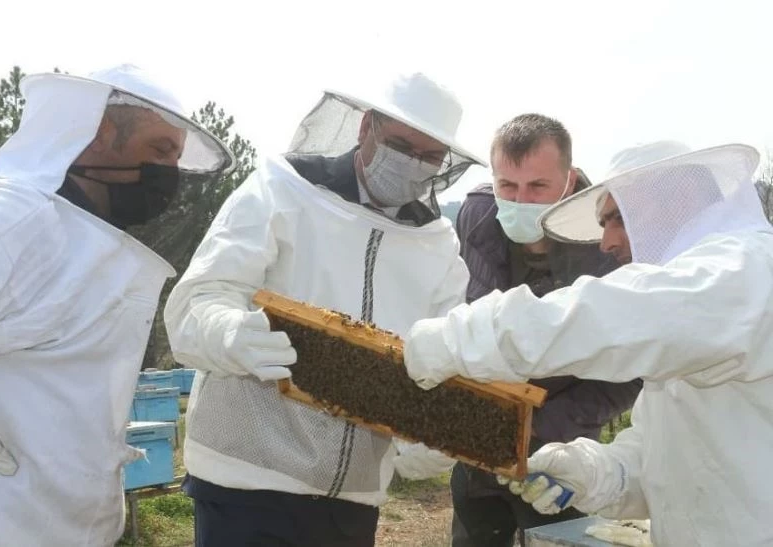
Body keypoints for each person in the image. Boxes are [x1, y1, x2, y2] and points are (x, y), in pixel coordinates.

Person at [163, 72, 486, 547]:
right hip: (245, 480)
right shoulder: (282, 188)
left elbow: (439, 357)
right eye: (400, 145)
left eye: (429, 156)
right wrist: (231, 334)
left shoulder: (438, 245)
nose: (413, 164)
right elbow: (197, 303)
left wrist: (431, 439)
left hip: (352, 498)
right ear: (365, 128)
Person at [403, 140, 773, 546]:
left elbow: (612, 315)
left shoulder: (750, 268)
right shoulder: (693, 318)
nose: (606, 243)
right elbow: (663, 461)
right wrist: (594, 472)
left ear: (675, 201)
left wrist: (461, 339)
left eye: (618, 219)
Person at [0, 64, 234, 546]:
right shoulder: (13, 215)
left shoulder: (70, 229)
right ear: (98, 133)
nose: (168, 175)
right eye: (159, 151)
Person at [449, 114, 641, 547]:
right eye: (507, 187)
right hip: (479, 436)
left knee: (560, 534)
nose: (521, 200)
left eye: (537, 187)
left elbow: (629, 369)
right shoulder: (478, 216)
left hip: (562, 443)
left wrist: (538, 428)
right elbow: (480, 323)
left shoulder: (609, 241)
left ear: (569, 181)